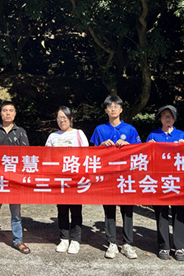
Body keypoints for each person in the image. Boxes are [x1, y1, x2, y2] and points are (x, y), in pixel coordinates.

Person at [90, 95, 141, 260]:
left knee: (127, 210)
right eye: (110, 107)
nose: (113, 109)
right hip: (107, 176)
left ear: (121, 109)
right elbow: (92, 154)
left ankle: (127, 244)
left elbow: (140, 152)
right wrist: (101, 146)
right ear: (105, 110)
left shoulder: (130, 129)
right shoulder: (100, 129)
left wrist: (128, 146)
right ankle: (111, 242)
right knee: (109, 210)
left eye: (116, 106)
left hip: (126, 176)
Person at [0, 101, 31, 257]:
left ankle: (18, 240)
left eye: (11, 110)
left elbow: (26, 156)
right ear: (1, 113)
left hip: (14, 180)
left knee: (16, 214)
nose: (8, 113)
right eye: (5, 110)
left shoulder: (21, 132)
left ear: (15, 113)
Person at [147, 105, 184, 262]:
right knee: (161, 213)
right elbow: (145, 158)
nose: (167, 118)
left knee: (179, 213)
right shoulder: (153, 135)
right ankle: (163, 245)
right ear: (160, 118)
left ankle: (179, 247)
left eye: (170, 116)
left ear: (175, 118)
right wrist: (149, 148)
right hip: (159, 180)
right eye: (164, 115)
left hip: (178, 180)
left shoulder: (181, 135)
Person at [45, 106, 89, 254]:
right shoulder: (52, 136)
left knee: (76, 210)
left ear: (71, 119)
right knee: (62, 209)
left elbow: (86, 155)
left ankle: (75, 240)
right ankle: (63, 239)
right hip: (59, 179)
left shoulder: (78, 134)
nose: (61, 121)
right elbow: (46, 157)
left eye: (64, 118)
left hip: (75, 179)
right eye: (59, 118)